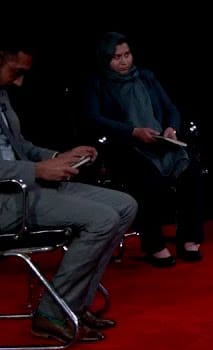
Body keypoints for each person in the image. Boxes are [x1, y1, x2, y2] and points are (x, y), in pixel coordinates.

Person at [0, 39, 138, 344]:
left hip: (21, 188)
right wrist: (37, 170)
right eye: (17, 72)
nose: (19, 82)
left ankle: (72, 305)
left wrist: (58, 157)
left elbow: (17, 147)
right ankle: (53, 314)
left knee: (124, 206)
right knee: (102, 219)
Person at [82, 31, 205, 268]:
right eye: (117, 57)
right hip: (125, 146)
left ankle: (190, 237)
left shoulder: (146, 77)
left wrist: (171, 128)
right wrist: (133, 131)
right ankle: (154, 244)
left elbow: (171, 108)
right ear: (106, 59)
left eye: (127, 54)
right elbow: (93, 118)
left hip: (158, 141)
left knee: (191, 171)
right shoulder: (97, 83)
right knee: (148, 180)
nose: (124, 61)